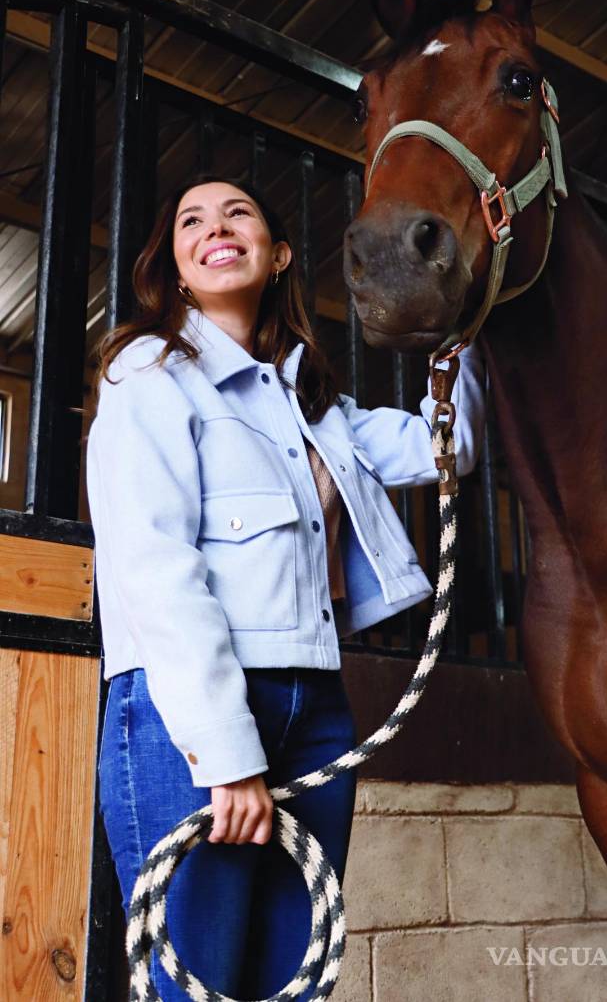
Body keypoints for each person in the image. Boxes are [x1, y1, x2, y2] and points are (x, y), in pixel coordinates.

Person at [87, 174, 487, 1001]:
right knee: (195, 984)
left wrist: (471, 324)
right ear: (175, 266)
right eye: (192, 221)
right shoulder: (148, 375)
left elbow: (451, 445)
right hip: (191, 714)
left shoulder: (317, 408)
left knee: (294, 986)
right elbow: (156, 568)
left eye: (238, 212)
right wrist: (226, 754)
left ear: (277, 255)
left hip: (317, 711)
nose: (216, 227)